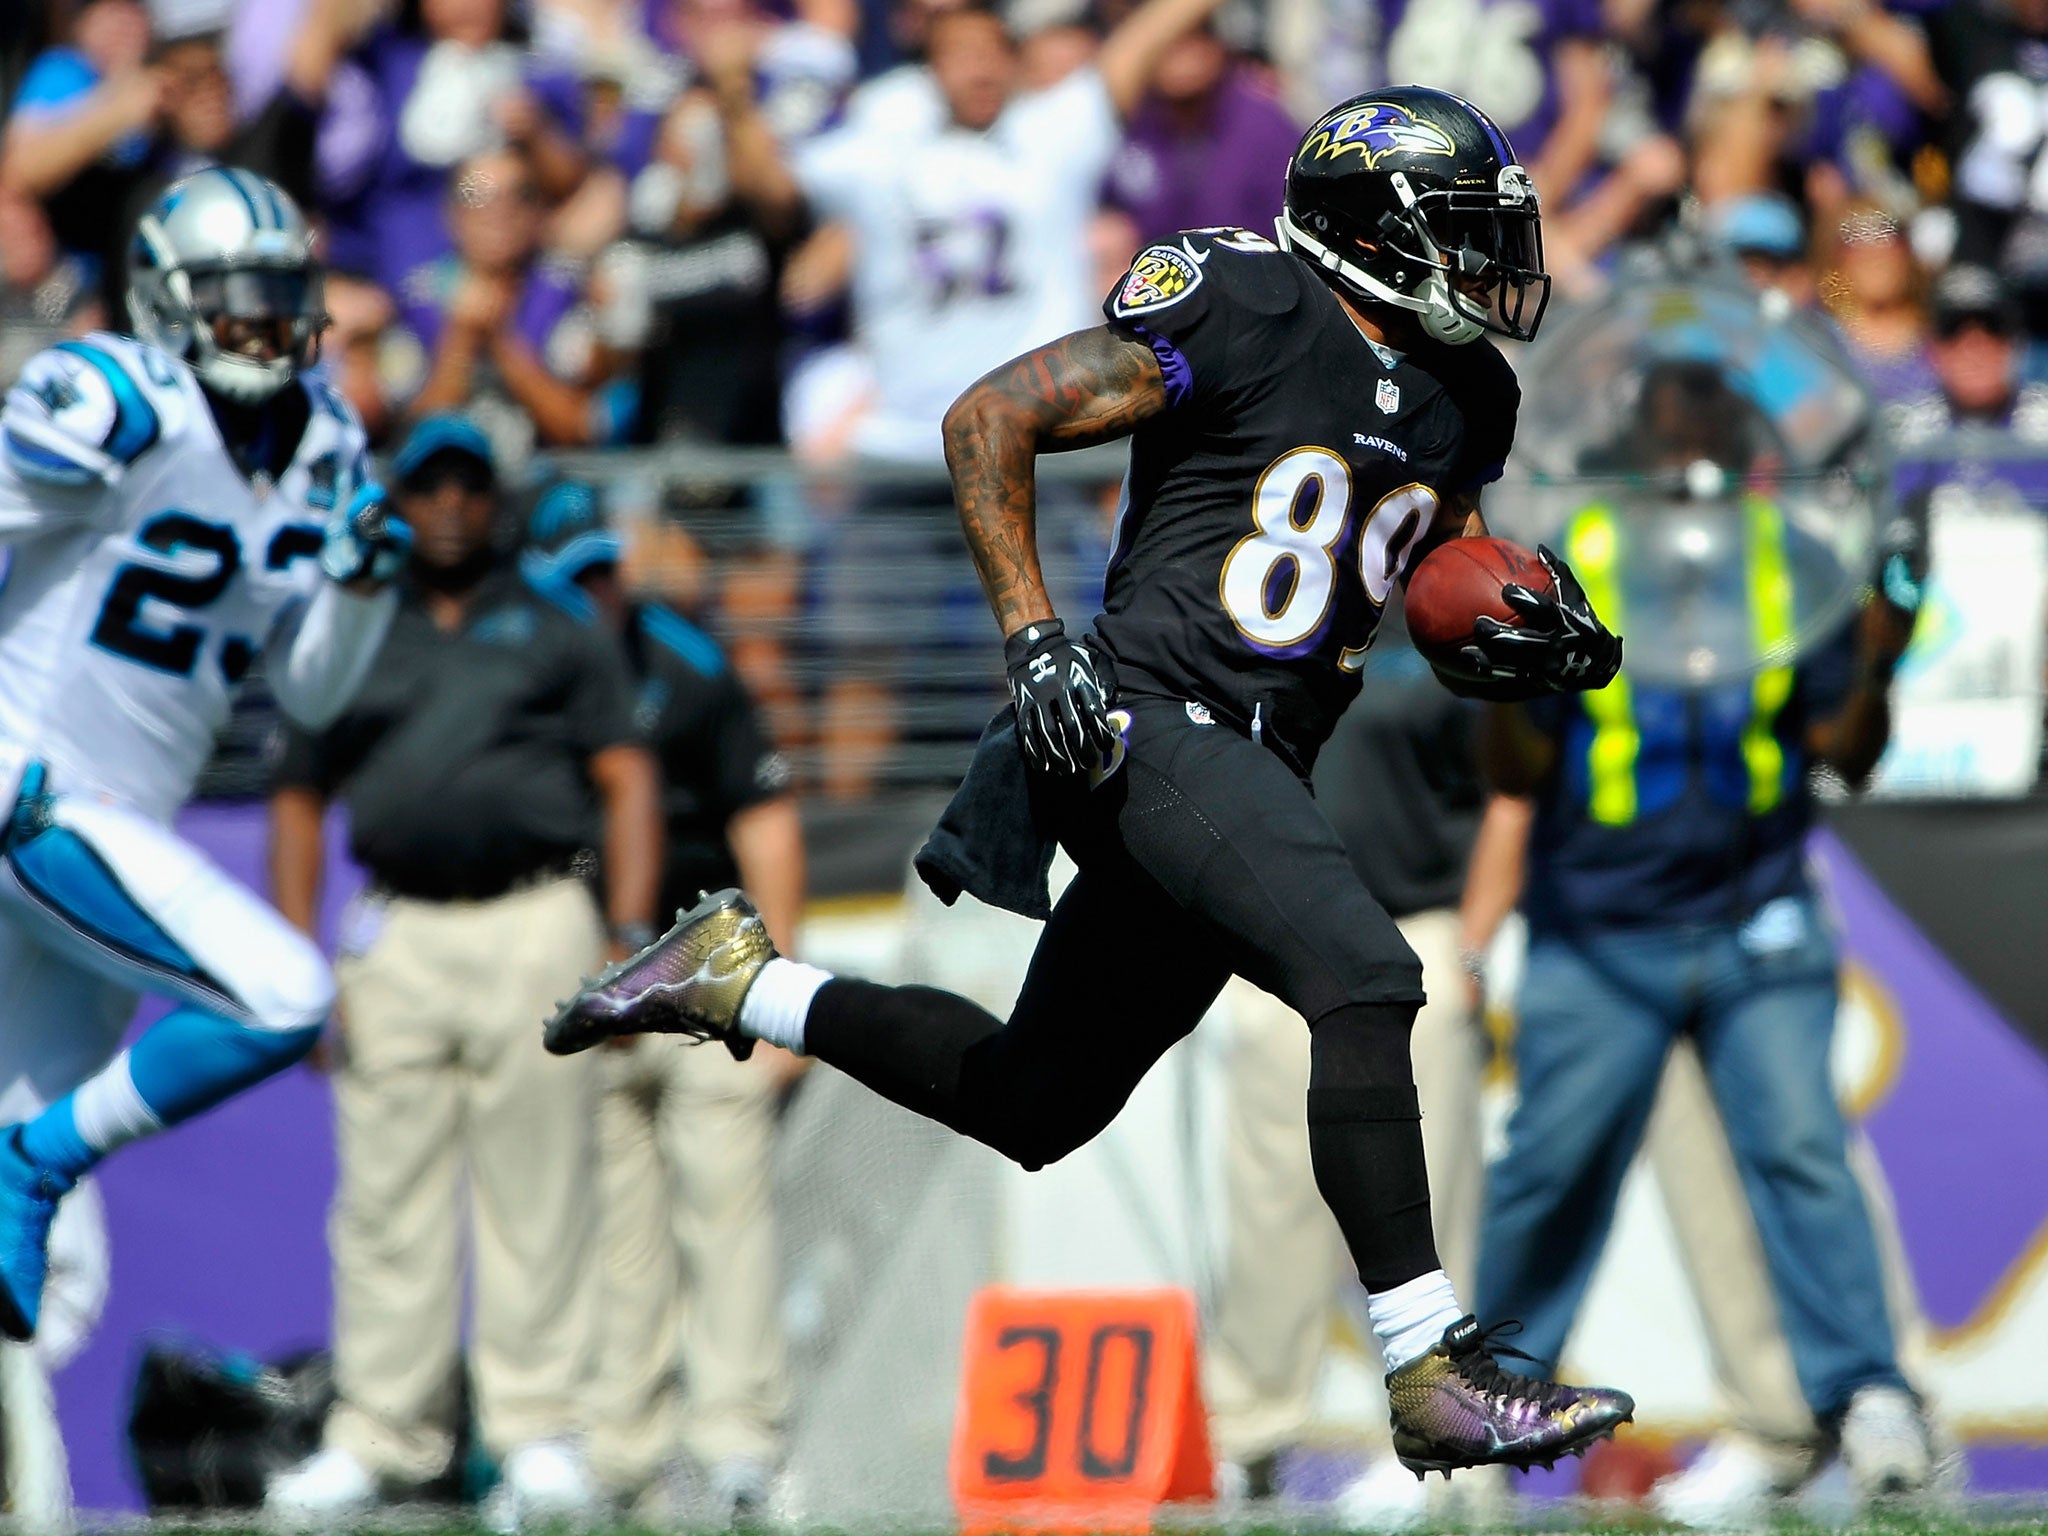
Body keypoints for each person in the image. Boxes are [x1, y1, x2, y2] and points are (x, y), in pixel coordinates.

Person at [550, 86, 1638, 1475]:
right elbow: (987, 416)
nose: (1495, 264)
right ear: (1374, 231)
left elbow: (1422, 555)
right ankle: (1427, 1362)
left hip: (1255, 758)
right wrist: (1033, 643)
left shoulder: (1467, 390)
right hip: (1139, 723)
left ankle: (735, 979)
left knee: (1034, 1101)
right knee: (1366, 977)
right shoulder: (1243, 300)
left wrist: (1516, 622)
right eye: (1465, 233)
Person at [1471, 354, 1938, 1506]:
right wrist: (1492, 667)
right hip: (1598, 918)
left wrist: (1877, 651)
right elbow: (1511, 766)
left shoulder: (1795, 562)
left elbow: (1848, 755)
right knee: (1546, 1173)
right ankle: (1478, 1424)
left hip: (1753, 909)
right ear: (1629, 447)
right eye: (1668, 435)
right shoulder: (1565, 561)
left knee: (1797, 1149)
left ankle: (1867, 1394)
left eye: (1707, 436)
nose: (1688, 460)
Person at [0, 166, 408, 1340]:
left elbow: (309, 684)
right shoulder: (118, 397)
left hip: (116, 825)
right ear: (166, 301)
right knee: (281, 995)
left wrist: (363, 585)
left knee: (43, 1264)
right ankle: (30, 1163)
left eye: (285, 296)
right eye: (239, 297)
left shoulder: (325, 436)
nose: (269, 324)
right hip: (35, 795)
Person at [262, 419, 663, 1530]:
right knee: (385, 1198)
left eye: (467, 486)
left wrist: (623, 934)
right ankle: (380, 1438)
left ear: (495, 500)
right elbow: (296, 794)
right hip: (396, 929)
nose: (446, 504)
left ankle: (536, 1436)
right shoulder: (350, 621)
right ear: (398, 499)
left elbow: (625, 778)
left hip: (537, 916)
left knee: (539, 1191)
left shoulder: (554, 617)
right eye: (426, 485)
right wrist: (296, 962)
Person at [521, 482, 803, 1524]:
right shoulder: (519, 675)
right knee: (608, 1230)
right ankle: (616, 1450)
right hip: (577, 988)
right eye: (573, 579)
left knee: (723, 1215)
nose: (594, 595)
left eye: (604, 571)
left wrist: (783, 989)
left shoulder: (686, 666)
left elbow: (764, 819)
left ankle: (740, 1449)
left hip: (692, 979)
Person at [1204, 607, 1492, 1527]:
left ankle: (1443, 1445)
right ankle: (1250, 1440)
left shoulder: (1447, 604)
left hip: (1416, 938)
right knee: (1272, 1204)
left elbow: (1510, 791)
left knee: (1430, 1204)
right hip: (1281, 946)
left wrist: (1473, 950)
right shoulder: (1265, 597)